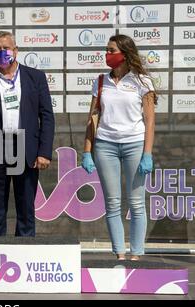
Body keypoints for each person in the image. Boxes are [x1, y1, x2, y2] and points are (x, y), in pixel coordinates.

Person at [0, 31, 55, 237]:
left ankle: (24, 254)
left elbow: (47, 116)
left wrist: (44, 152)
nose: (2, 53)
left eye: (6, 48)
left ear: (15, 50)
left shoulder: (36, 77)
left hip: (26, 149)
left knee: (26, 209)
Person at [81, 34, 156, 261]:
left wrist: (147, 153)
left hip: (134, 144)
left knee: (136, 203)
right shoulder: (100, 81)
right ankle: (120, 256)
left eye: (111, 50)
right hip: (105, 145)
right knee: (112, 203)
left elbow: (150, 120)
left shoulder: (142, 81)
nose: (107, 55)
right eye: (106, 50)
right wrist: (87, 151)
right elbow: (93, 116)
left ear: (124, 53)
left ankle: (136, 255)